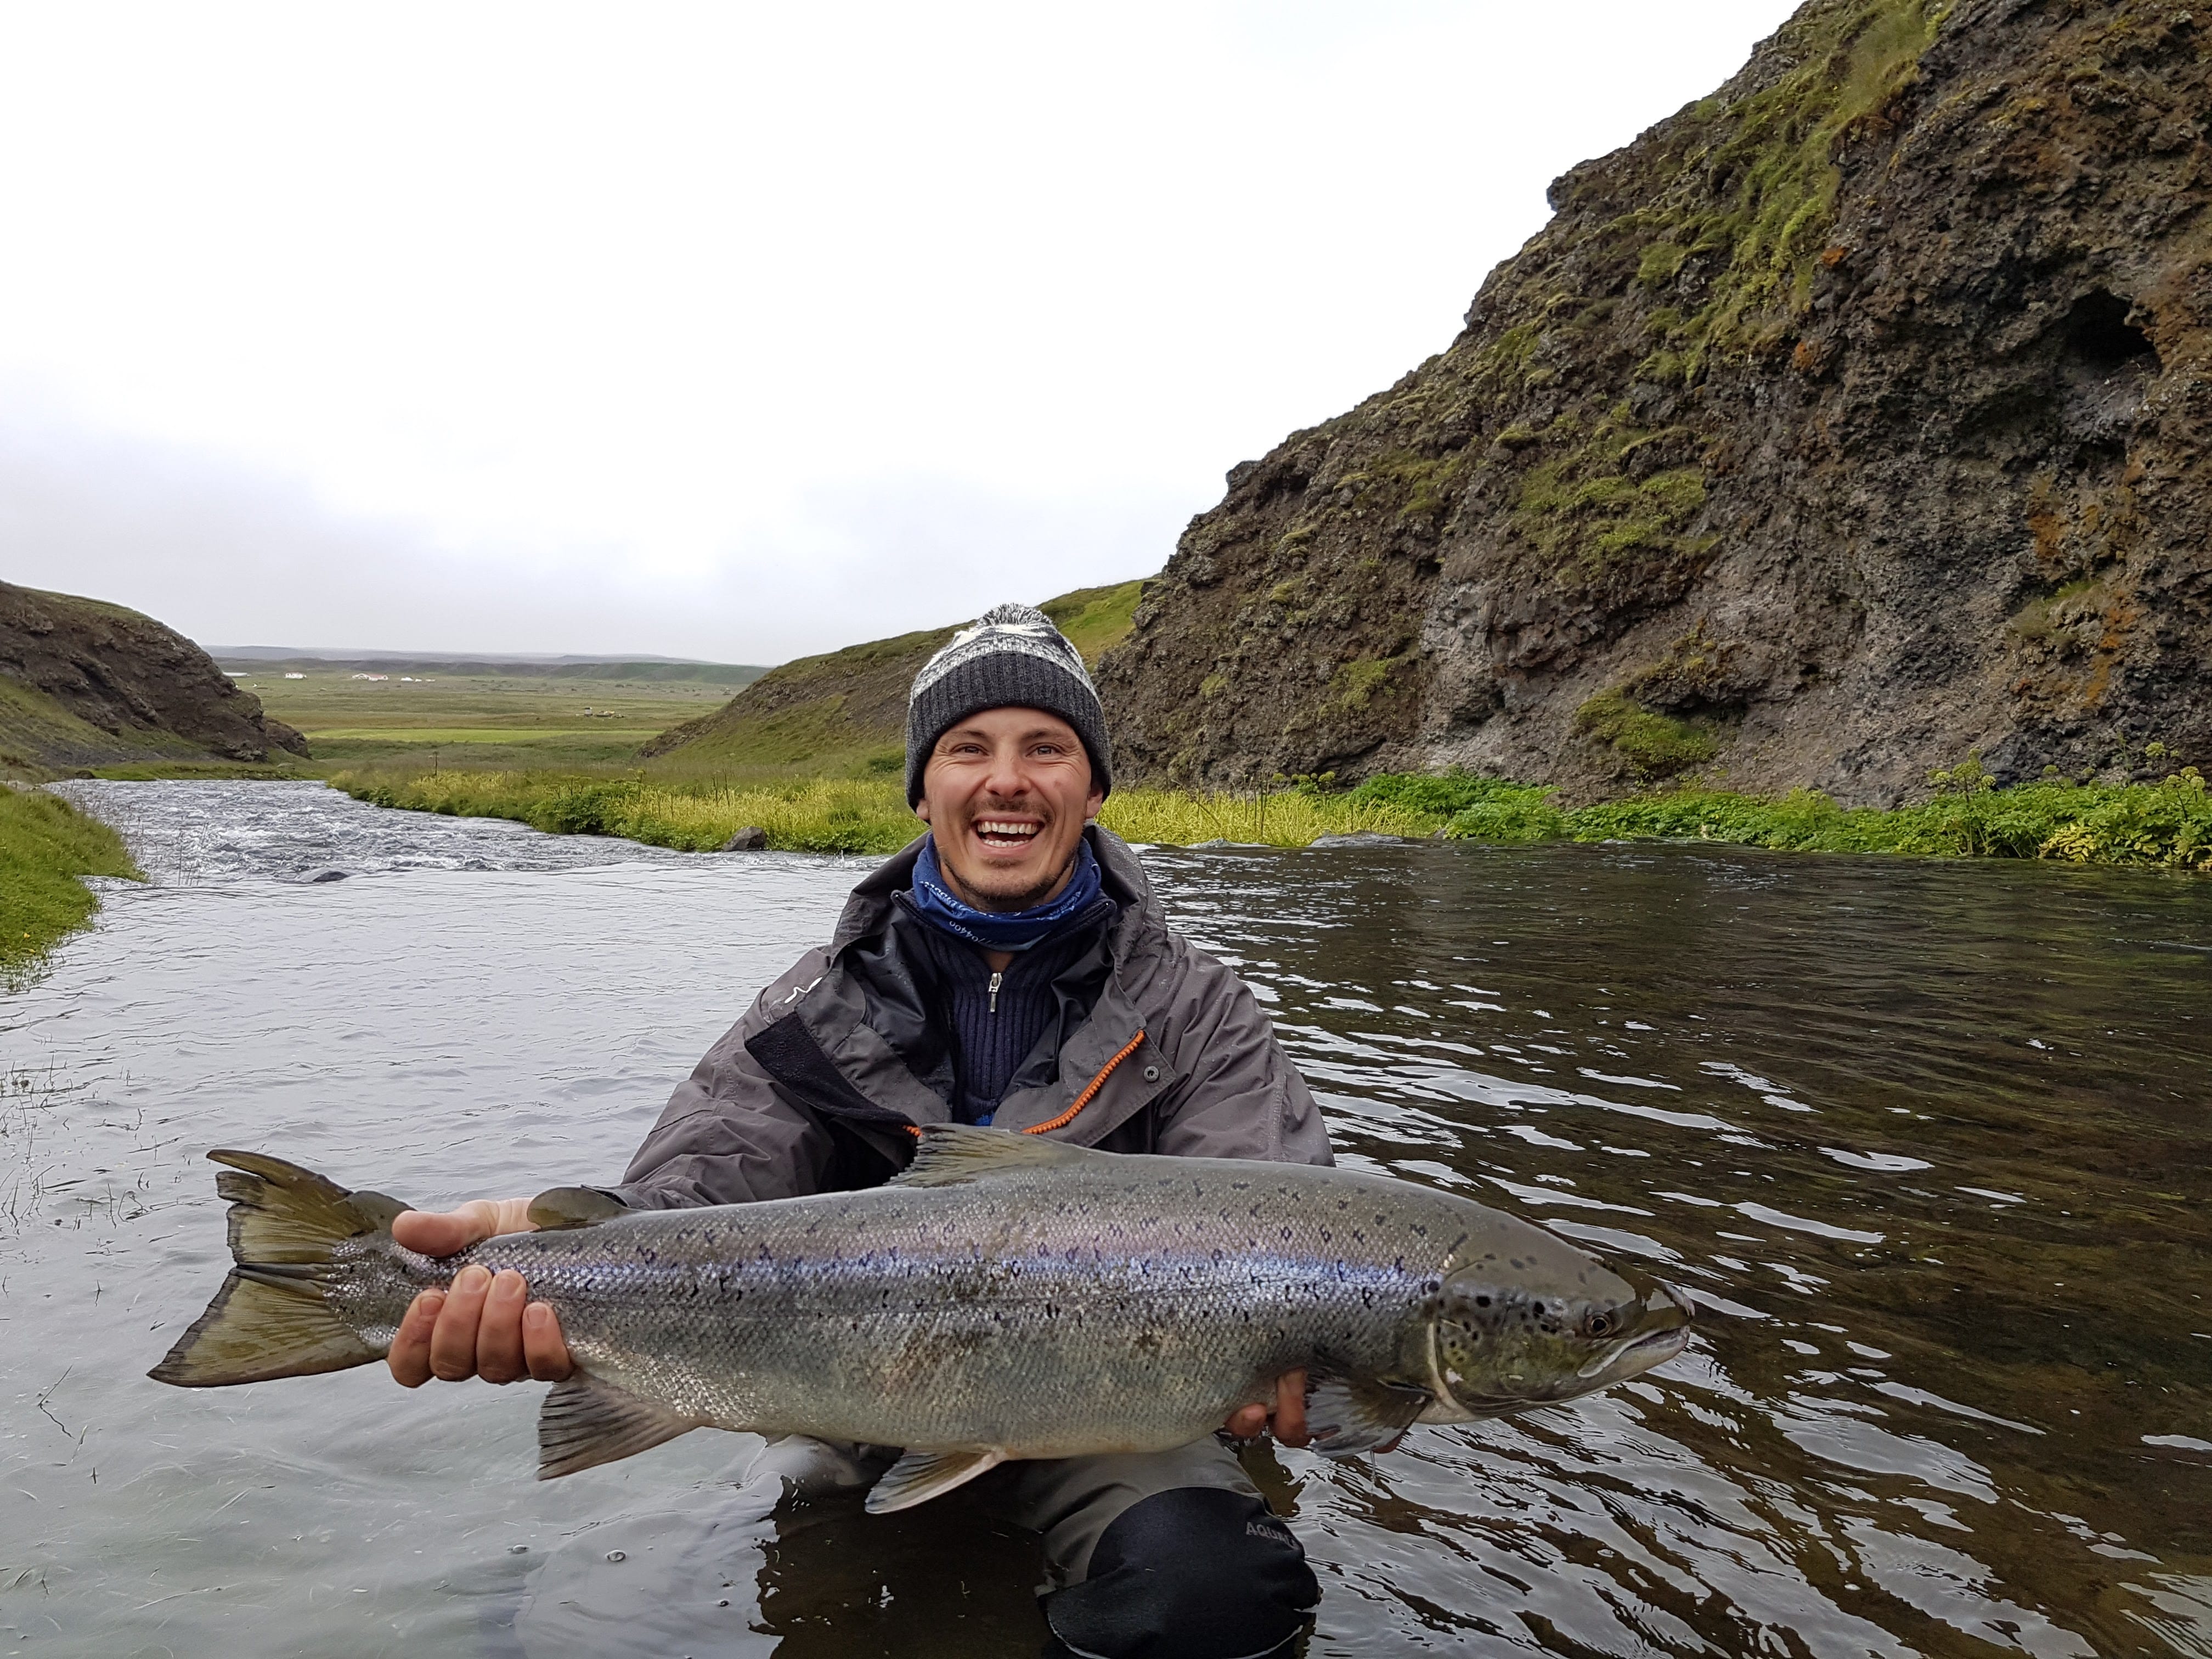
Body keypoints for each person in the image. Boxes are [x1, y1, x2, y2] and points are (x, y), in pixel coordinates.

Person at [388, 603, 1338, 1659]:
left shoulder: (1201, 1010)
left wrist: (1296, 1358)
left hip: (1117, 1415)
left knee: (1224, 1600)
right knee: (649, 1613)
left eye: (1048, 749)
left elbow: (1281, 1226)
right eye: (968, 749)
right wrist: (546, 1248)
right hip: (839, 1400)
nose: (1007, 780)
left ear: (1095, 786)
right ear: (924, 789)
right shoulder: (812, 1008)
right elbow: (692, 1200)